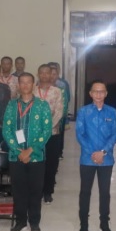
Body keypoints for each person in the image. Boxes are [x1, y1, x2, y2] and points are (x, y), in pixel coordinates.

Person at [3, 72, 52, 231]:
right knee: (18, 190)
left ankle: (34, 222)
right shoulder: (11, 105)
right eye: (22, 82)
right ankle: (20, 221)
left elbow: (46, 131)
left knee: (35, 190)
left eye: (28, 82)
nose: (25, 85)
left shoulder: (42, 105)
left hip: (36, 156)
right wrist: (18, 151)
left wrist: (30, 150)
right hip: (15, 156)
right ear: (18, 85)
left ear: (33, 85)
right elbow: (6, 130)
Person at [75, 80, 116, 231]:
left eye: (102, 91)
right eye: (96, 91)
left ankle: (104, 225)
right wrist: (93, 153)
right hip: (87, 159)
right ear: (91, 93)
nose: (98, 94)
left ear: (106, 93)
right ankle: (83, 225)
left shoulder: (112, 112)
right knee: (85, 192)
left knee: (105, 193)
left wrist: (103, 152)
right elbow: (80, 134)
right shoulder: (83, 112)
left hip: (106, 159)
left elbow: (115, 134)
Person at [34, 64, 64, 204]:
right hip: (34, 135)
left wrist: (46, 128)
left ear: (51, 74)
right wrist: (37, 129)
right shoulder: (32, 90)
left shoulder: (57, 91)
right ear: (38, 74)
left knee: (51, 163)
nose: (45, 75)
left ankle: (48, 191)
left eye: (47, 73)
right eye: (42, 73)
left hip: (52, 133)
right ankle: (37, 190)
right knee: (36, 163)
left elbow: (59, 112)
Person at [49, 62, 70, 159]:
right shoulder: (40, 88)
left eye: (54, 74)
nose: (52, 76)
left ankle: (58, 153)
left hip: (58, 120)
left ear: (58, 75)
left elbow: (65, 103)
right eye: (50, 74)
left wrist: (58, 118)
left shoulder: (61, 89)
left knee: (57, 138)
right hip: (42, 121)